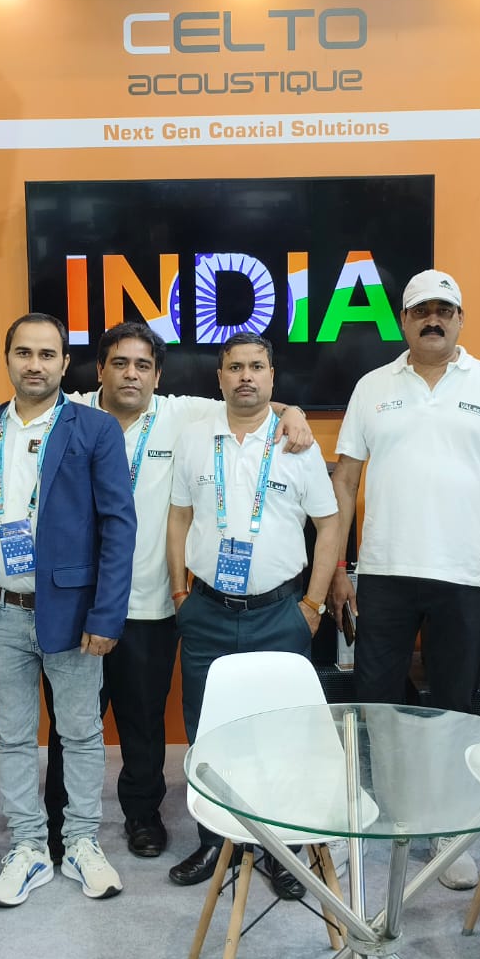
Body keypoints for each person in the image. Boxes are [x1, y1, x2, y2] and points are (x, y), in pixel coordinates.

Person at [43, 322, 312, 863]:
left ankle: (143, 814)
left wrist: (296, 413)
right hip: (76, 602)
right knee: (70, 722)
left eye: (143, 366)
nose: (131, 374)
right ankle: (60, 821)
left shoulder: (182, 414)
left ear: (158, 375)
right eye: (120, 363)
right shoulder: (67, 413)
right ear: (100, 369)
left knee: (143, 722)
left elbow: (252, 398)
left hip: (149, 602)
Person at [327, 269, 480, 890]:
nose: (433, 319)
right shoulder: (372, 387)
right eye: (421, 309)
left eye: (445, 309)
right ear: (403, 320)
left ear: (460, 320)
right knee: (375, 704)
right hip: (385, 573)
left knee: (455, 707)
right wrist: (339, 568)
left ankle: (446, 826)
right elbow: (345, 482)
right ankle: (379, 817)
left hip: (466, 575)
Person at [166, 331, 343, 898]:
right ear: (219, 377)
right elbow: (178, 516)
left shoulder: (298, 443)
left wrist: (313, 605)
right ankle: (214, 841)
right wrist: (179, 593)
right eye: (235, 366)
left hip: (279, 613)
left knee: (282, 735)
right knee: (207, 731)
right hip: (206, 611)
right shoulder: (195, 438)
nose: (246, 376)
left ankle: (281, 848)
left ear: (272, 376)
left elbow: (330, 525)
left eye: (256, 367)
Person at [0, 313, 136, 908]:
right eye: (24, 352)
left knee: (81, 733)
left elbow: (119, 526)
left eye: (48, 354)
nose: (35, 364)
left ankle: (80, 842)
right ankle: (27, 848)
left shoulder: (94, 428)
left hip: (72, 612)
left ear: (66, 364)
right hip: (0, 610)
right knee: (14, 736)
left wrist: (106, 615)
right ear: (8, 358)